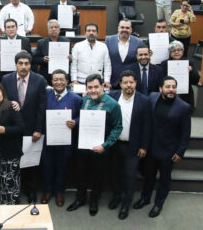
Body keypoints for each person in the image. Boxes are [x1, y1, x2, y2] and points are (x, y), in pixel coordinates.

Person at [133, 76, 191, 218]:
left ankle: (158, 204)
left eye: (173, 87)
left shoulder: (183, 107)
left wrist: (180, 151)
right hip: (151, 148)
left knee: (164, 180)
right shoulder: (152, 97)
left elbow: (185, 133)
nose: (171, 90)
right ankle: (145, 198)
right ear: (161, 89)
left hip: (169, 151)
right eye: (168, 87)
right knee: (149, 176)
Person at [66, 74, 122, 216]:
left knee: (97, 176)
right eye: (90, 87)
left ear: (103, 86)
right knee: (81, 174)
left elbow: (117, 127)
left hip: (101, 147)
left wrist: (106, 145)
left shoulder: (113, 105)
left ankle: (94, 200)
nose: (93, 90)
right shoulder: (85, 100)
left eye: (96, 87)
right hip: (83, 146)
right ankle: (80, 198)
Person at [2, 52, 47, 203]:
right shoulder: (6, 79)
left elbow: (42, 107)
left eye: (26, 63)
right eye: (20, 63)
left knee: (30, 162)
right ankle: (15, 189)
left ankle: (31, 191)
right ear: (15, 65)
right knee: (14, 160)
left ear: (30, 65)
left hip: (31, 129)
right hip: (13, 128)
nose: (23, 66)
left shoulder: (39, 80)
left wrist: (39, 129)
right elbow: (3, 102)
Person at [107, 70, 151, 220]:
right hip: (114, 145)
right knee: (115, 173)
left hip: (133, 146)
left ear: (135, 83)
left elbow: (147, 126)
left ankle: (126, 204)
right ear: (120, 84)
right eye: (125, 82)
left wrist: (144, 146)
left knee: (130, 176)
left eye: (131, 82)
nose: (128, 85)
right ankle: (116, 197)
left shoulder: (144, 100)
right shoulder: (112, 96)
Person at [41, 70, 82, 207]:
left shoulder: (76, 99)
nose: (58, 82)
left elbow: (82, 116)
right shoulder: (46, 95)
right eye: (55, 79)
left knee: (62, 166)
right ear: (51, 82)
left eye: (61, 79)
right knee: (47, 165)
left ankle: (59, 192)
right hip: (48, 139)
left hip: (65, 141)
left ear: (67, 81)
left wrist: (75, 122)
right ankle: (47, 191)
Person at [0, 81, 24, 205]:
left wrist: (5, 130)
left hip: (10, 152)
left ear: (3, 93)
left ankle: (10, 206)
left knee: (9, 182)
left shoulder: (11, 106)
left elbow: (20, 127)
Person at [160, 41, 200, 108]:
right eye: (173, 50)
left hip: (185, 96)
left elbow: (196, 81)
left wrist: (191, 71)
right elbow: (161, 80)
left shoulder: (189, 63)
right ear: (170, 54)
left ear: (182, 52)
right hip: (168, 94)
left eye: (179, 50)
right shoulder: (164, 64)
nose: (176, 52)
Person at [71, 23, 111, 88]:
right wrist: (74, 80)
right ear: (85, 33)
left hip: (98, 82)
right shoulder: (78, 46)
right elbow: (74, 65)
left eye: (94, 31)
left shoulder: (103, 46)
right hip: (81, 81)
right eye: (89, 31)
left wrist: (107, 81)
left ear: (97, 33)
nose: (91, 33)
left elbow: (107, 65)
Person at [105, 19, 143, 88]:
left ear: (131, 30)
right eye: (122, 27)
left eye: (127, 28)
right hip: (113, 82)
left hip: (130, 83)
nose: (124, 29)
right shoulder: (108, 40)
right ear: (118, 28)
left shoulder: (139, 42)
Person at [33, 19, 70, 84]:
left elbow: (70, 59)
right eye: (51, 27)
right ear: (48, 30)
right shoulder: (41, 42)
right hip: (46, 74)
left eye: (56, 27)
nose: (53, 29)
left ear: (59, 29)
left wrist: (70, 58)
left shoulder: (66, 41)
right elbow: (35, 59)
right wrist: (43, 59)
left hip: (62, 73)